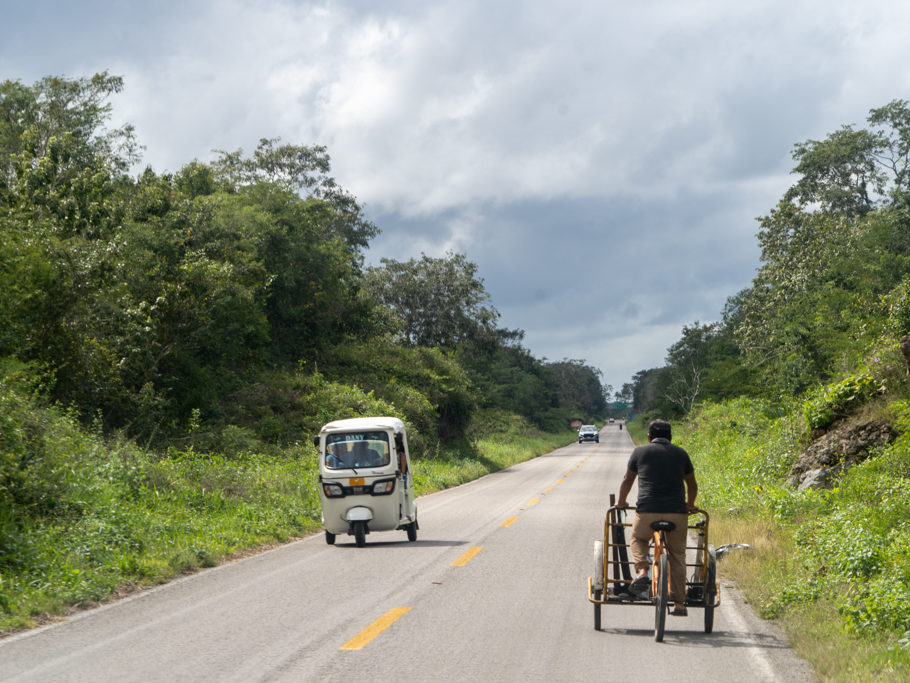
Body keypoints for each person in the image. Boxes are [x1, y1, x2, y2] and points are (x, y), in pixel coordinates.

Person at [616, 419, 698, 616]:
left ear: (649, 436)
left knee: (638, 538)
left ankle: (642, 572)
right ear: (671, 437)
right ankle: (679, 604)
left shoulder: (639, 452)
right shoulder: (681, 453)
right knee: (677, 555)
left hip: (647, 511)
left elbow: (627, 480)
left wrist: (621, 502)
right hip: (677, 512)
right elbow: (692, 485)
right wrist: (690, 504)